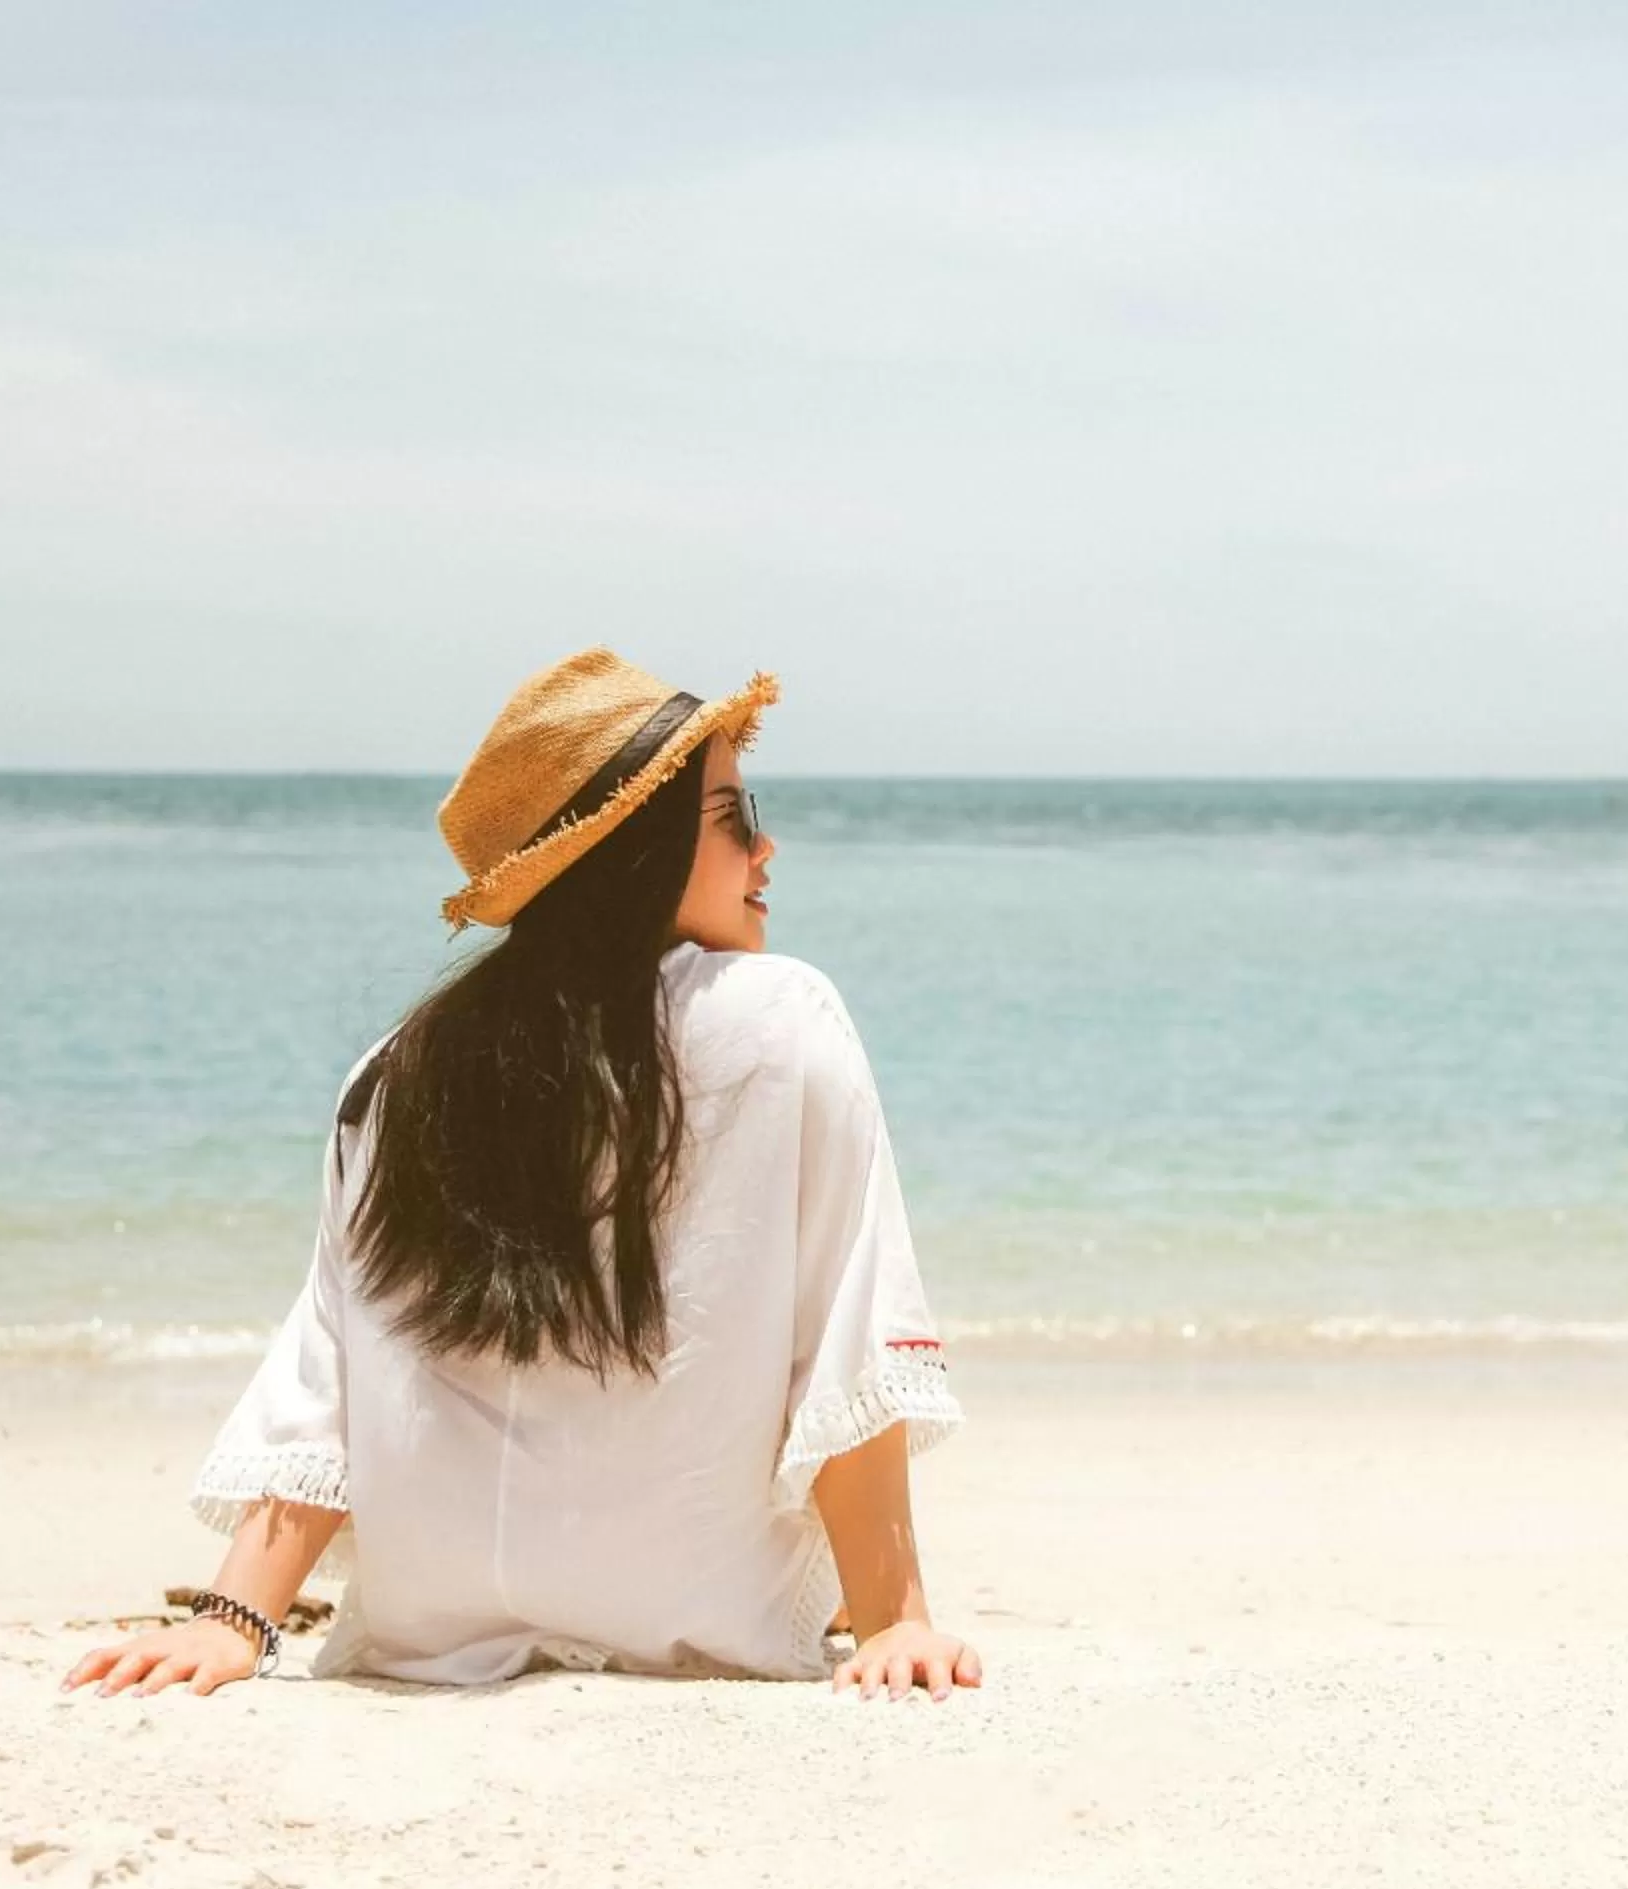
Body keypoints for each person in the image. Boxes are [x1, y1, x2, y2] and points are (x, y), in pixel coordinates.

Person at [61, 649, 977, 1699]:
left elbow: (331, 1361)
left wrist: (236, 1621)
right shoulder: (784, 1013)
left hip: (428, 1628)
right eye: (731, 813)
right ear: (638, 850)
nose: (766, 845)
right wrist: (895, 1621)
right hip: (694, 1612)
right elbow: (846, 1323)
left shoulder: (401, 1069)